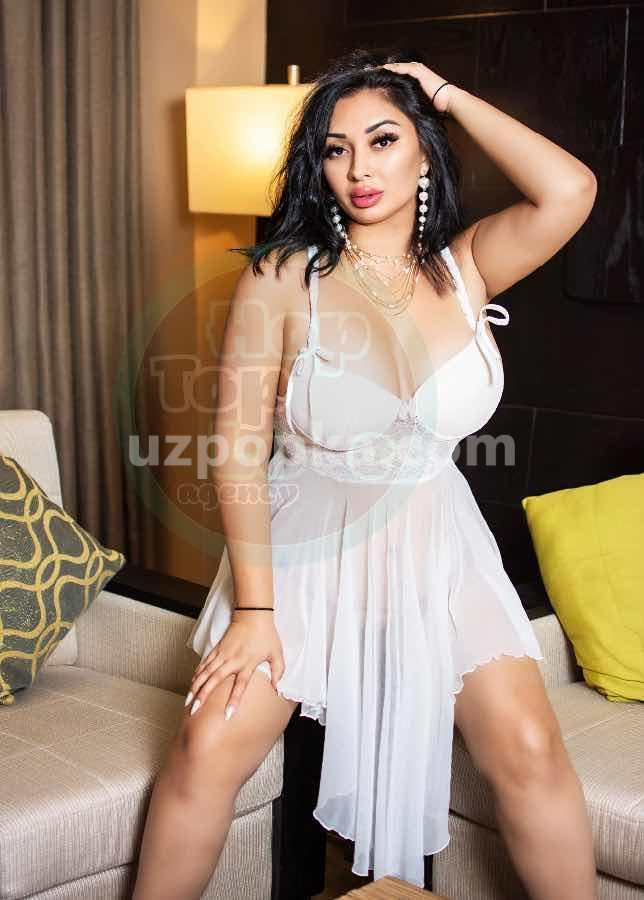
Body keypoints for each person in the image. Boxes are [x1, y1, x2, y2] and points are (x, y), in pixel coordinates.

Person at [132, 47, 599, 900]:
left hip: (439, 545)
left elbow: (570, 189)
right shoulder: (284, 277)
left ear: (424, 153)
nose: (358, 168)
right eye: (335, 149)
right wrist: (255, 614)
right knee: (208, 746)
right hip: (305, 546)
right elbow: (236, 446)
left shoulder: (467, 267)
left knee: (531, 752)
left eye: (383, 140)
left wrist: (443, 92)